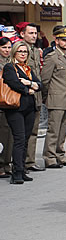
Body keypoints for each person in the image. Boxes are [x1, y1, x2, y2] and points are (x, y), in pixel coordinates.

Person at [2, 41, 43, 184]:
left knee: (26, 139)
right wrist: (29, 88)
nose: (23, 54)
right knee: (19, 139)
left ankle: (23, 168)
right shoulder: (9, 67)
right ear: (14, 53)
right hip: (15, 108)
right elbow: (14, 83)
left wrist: (29, 83)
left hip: (29, 108)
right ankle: (17, 172)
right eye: (20, 51)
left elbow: (40, 85)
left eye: (25, 52)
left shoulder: (27, 68)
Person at [41, 26, 66, 169]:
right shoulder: (52, 57)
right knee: (53, 130)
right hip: (56, 99)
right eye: (64, 40)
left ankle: (60, 155)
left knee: (63, 130)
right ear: (56, 40)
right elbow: (45, 80)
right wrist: (47, 97)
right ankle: (49, 157)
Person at [16, 22, 44, 172]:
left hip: (36, 95)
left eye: (35, 33)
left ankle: (29, 161)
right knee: (22, 133)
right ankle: (19, 163)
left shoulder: (34, 50)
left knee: (33, 130)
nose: (34, 36)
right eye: (31, 33)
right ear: (22, 34)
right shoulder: (20, 49)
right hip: (24, 95)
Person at [0, 36, 14, 178]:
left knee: (10, 135)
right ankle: (1, 165)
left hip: (11, 102)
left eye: (9, 47)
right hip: (2, 102)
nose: (7, 50)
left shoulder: (11, 62)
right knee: (3, 136)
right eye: (4, 47)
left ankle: (7, 164)